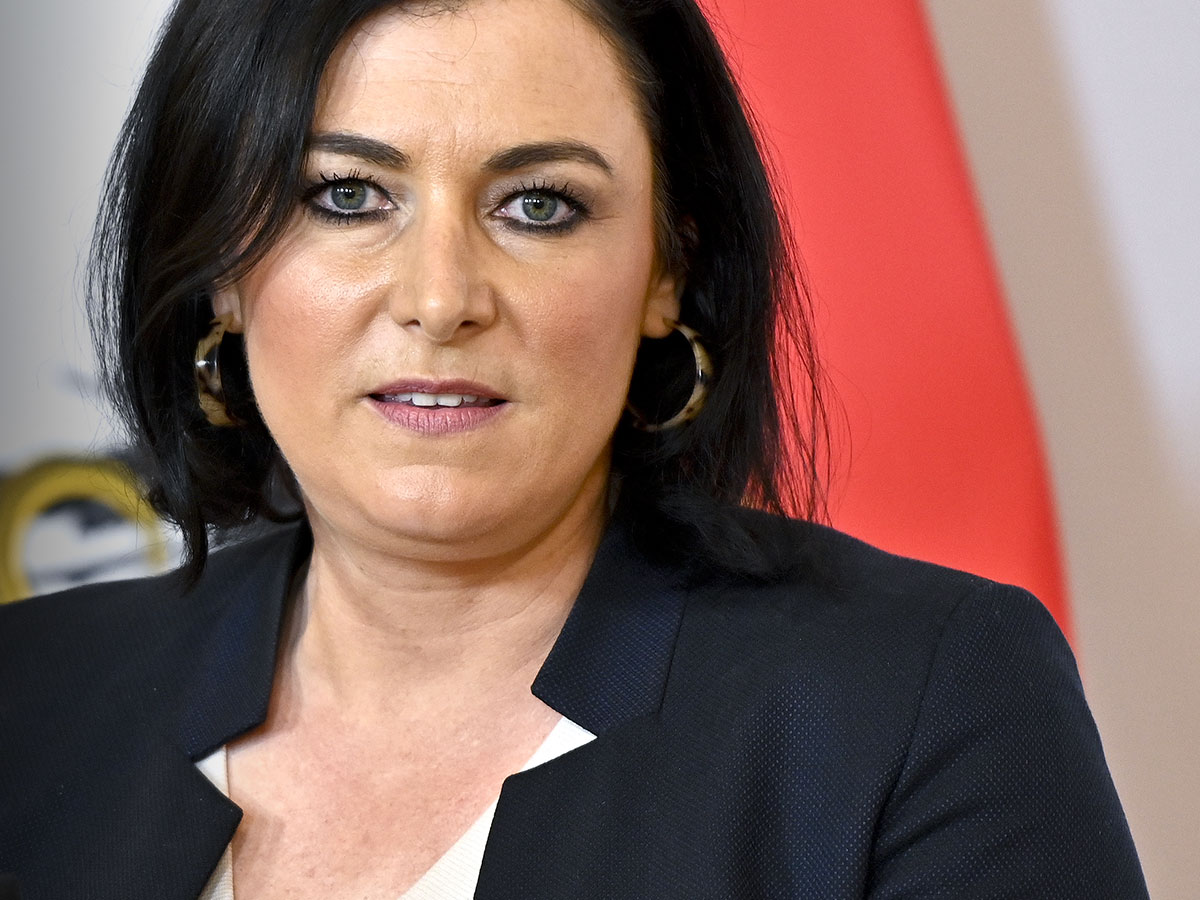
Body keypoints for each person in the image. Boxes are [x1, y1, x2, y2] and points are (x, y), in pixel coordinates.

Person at [0, 0, 1148, 897]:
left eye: (537, 206)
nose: (441, 298)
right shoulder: (29, 695)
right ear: (218, 267)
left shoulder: (920, 702)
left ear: (666, 272)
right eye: (347, 196)